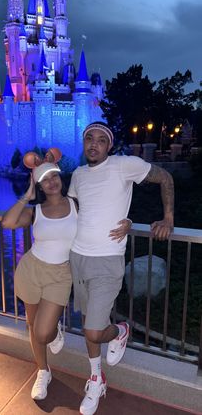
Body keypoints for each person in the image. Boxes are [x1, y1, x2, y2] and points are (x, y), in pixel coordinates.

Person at [68, 121, 174, 415]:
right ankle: (96, 378)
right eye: (89, 138)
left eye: (101, 140)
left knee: (92, 331)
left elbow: (165, 177)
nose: (93, 144)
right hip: (78, 256)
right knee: (89, 321)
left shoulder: (124, 165)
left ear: (109, 146)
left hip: (107, 260)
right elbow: (76, 211)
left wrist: (167, 219)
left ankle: (119, 331)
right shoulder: (77, 175)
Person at [2, 161, 78, 401]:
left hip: (61, 274)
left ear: (60, 178)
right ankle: (43, 371)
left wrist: (126, 223)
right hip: (31, 271)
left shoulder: (77, 205)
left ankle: (54, 334)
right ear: (40, 185)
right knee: (32, 327)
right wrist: (27, 195)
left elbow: (102, 219)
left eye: (54, 175)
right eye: (45, 179)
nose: (52, 181)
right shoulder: (36, 211)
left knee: (43, 332)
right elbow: (7, 223)